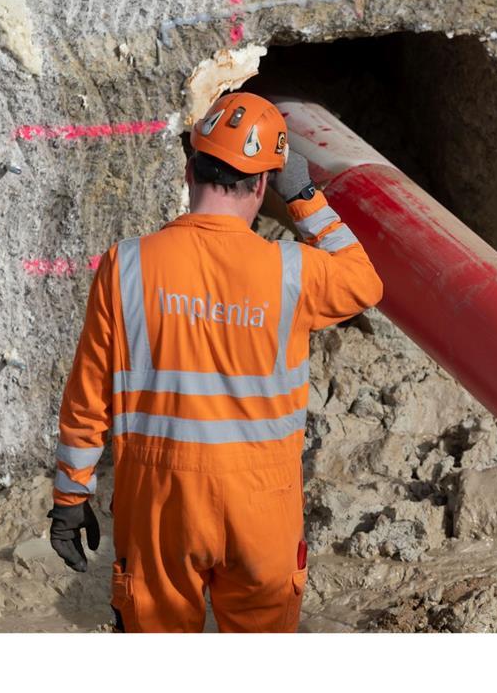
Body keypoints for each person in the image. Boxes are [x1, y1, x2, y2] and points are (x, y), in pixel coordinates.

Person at [47, 91, 383, 632]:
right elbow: (366, 282)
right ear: (261, 184)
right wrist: (306, 199)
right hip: (262, 510)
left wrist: (70, 494)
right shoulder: (294, 272)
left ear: (189, 171)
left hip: (159, 507)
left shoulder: (126, 266)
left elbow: (88, 398)